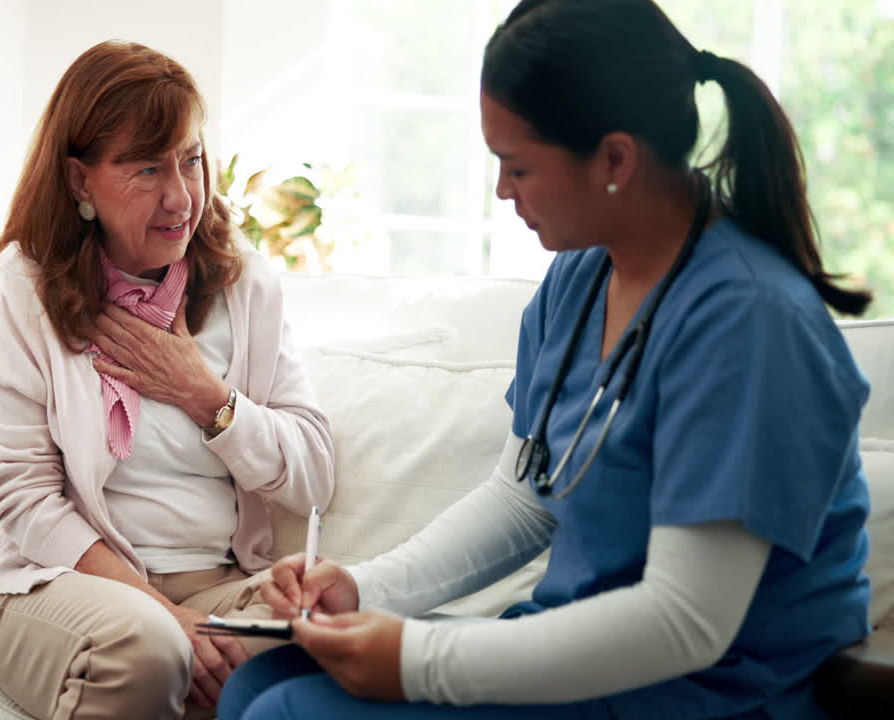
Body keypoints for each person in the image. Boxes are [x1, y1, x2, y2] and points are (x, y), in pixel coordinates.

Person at [219, 1, 873, 718]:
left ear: (615, 159)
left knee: (288, 713)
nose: (502, 191)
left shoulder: (749, 323)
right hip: (592, 661)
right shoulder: (581, 276)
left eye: (517, 165)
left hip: (709, 691)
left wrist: (417, 661)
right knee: (262, 678)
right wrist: (363, 589)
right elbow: (524, 498)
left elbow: (687, 622)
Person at [0, 40, 334, 720]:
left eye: (191, 160)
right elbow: (22, 495)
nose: (180, 196)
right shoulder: (25, 283)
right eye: (145, 169)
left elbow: (312, 471)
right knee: (149, 649)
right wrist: (166, 617)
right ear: (80, 181)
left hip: (211, 583)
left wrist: (206, 396)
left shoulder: (245, 283)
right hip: (56, 580)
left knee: (325, 630)